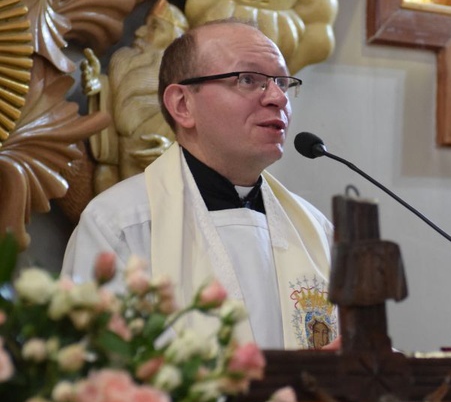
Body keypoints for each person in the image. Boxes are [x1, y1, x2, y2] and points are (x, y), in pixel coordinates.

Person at [63, 19, 338, 350]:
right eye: (249, 80)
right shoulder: (120, 225)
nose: (278, 97)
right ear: (182, 105)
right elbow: (97, 372)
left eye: (282, 82)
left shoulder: (315, 232)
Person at [81, 0, 187, 193]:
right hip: (118, 171)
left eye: (155, 27)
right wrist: (98, 86)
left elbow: (206, 138)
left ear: (176, 39)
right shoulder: (125, 66)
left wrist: (173, 152)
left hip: (161, 180)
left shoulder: (187, 88)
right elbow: (115, 113)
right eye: (145, 24)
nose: (139, 32)